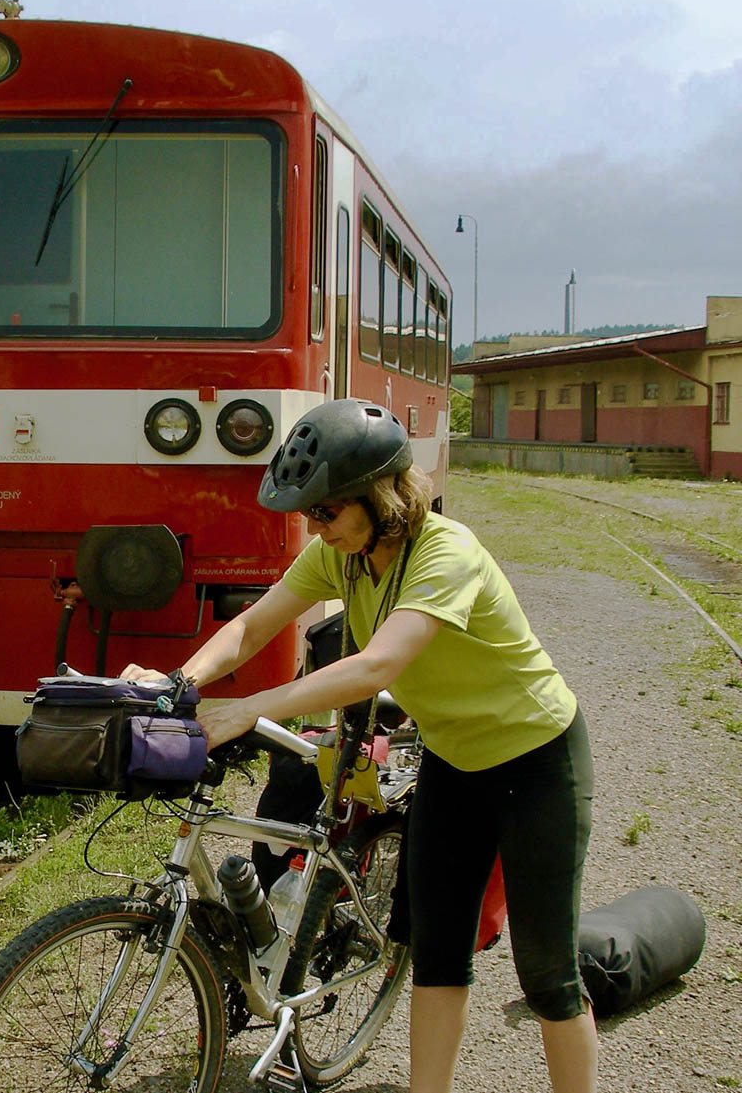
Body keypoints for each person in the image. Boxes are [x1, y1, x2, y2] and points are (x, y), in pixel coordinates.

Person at [121, 398, 597, 1093]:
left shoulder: (446, 553)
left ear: (382, 496)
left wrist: (248, 709)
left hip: (538, 762)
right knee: (436, 954)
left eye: (328, 511)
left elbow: (378, 665)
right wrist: (179, 682)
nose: (315, 525)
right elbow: (253, 628)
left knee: (550, 973)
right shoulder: (342, 554)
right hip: (456, 766)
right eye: (310, 513)